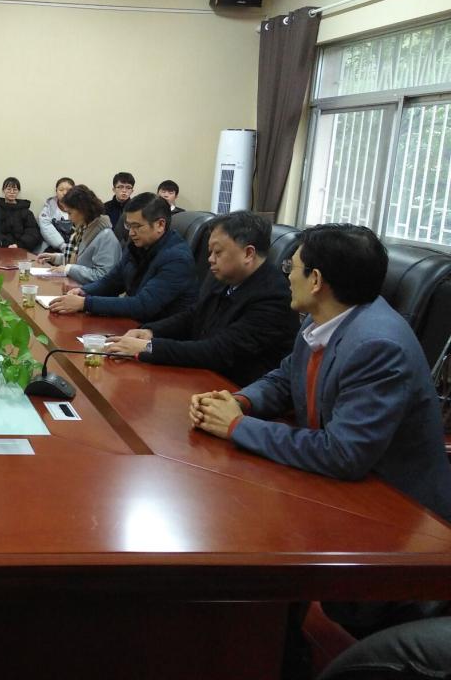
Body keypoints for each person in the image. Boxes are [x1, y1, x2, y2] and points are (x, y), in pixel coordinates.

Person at [189, 224, 451, 638]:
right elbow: (285, 377)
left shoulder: (376, 344)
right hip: (343, 489)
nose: (285, 276)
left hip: (397, 517)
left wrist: (237, 426)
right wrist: (239, 401)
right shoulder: (325, 319)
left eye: (291, 268)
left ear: (316, 280)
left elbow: (343, 453)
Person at [108, 211, 298, 385]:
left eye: (218, 252)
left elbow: (219, 351)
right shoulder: (224, 277)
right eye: (210, 252)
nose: (210, 259)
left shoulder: (274, 297)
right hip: (205, 377)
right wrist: (150, 332)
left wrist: (149, 347)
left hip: (237, 391)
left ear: (248, 253)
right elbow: (194, 315)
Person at [51, 193, 197, 321]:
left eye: (137, 226)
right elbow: (113, 281)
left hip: (157, 333)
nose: (131, 233)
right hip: (133, 324)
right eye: (128, 226)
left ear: (160, 224)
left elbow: (143, 305)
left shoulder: (177, 259)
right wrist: (84, 291)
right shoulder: (136, 246)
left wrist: (85, 303)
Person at [36, 185, 120, 285]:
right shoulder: (82, 230)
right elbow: (80, 260)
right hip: (76, 288)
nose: (69, 218)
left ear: (83, 210)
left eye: (70, 213)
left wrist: (68, 269)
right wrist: (56, 258)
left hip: (90, 292)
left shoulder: (105, 237)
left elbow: (103, 276)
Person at [0, 177, 40, 250]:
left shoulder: (27, 212)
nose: (12, 192)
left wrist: (19, 245)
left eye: (15, 189)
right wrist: (4, 244)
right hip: (0, 248)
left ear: (18, 191)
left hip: (21, 249)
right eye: (8, 189)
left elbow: (33, 232)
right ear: (3, 190)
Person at [38, 176, 75, 253]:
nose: (65, 193)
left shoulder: (80, 207)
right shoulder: (49, 207)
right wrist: (62, 245)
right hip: (54, 247)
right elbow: (45, 226)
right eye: (61, 190)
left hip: (76, 248)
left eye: (69, 190)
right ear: (56, 191)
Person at [103, 171, 135, 245]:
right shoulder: (104, 208)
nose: (124, 190)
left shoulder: (136, 209)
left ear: (132, 191)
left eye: (128, 188)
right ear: (114, 189)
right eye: (120, 187)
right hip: (107, 245)